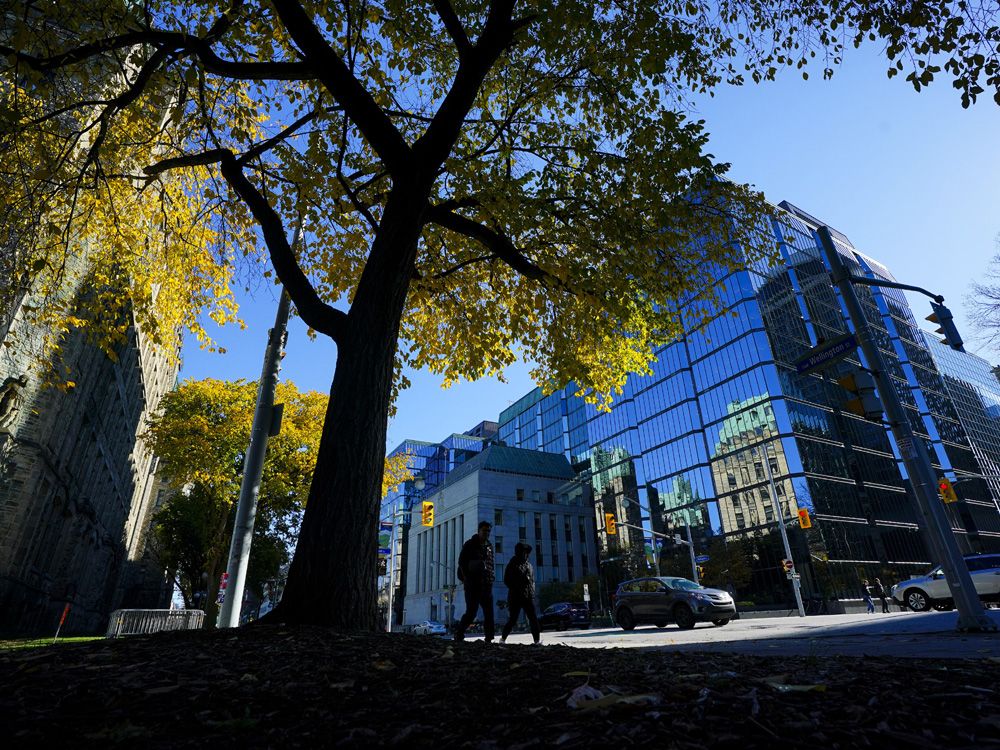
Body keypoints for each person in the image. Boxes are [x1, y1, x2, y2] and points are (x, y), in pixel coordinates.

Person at [455, 521, 495, 642]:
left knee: (489, 612)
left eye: (488, 531)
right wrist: (466, 578)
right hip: (473, 584)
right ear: (479, 531)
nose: (486, 533)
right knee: (471, 612)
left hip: (487, 584)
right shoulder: (470, 544)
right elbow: (461, 562)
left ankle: (489, 638)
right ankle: (459, 633)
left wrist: (491, 578)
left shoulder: (489, 546)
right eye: (484, 530)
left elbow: (490, 565)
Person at [500, 543, 541, 645]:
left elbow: (532, 581)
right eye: (524, 552)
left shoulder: (529, 565)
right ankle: (503, 639)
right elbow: (506, 580)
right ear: (519, 553)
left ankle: (537, 641)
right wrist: (517, 586)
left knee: (533, 619)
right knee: (513, 619)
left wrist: (532, 593)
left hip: (528, 596)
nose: (526, 555)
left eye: (527, 553)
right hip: (515, 597)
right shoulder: (512, 564)